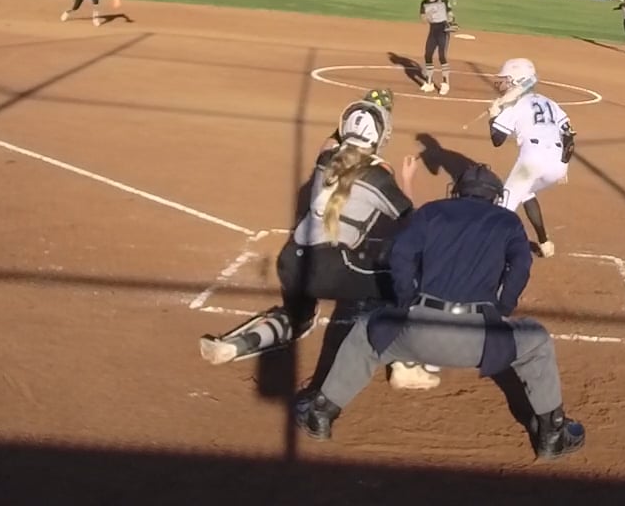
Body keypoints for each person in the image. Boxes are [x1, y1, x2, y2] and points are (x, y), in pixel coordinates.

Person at [290, 162, 587, 461]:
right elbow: (520, 268)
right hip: (480, 341)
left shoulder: (432, 211)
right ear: (496, 196)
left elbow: (400, 255)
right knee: (537, 342)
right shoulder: (508, 222)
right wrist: (502, 308)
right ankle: (552, 434)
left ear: (457, 191)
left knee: (366, 332)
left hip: (415, 334)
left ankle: (322, 412)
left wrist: (406, 301)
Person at [198, 89, 438, 389]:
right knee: (404, 283)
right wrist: (408, 181)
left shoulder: (326, 160)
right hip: (331, 269)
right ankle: (405, 365)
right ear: (381, 136)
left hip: (292, 261)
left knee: (298, 318)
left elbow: (335, 143)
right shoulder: (379, 177)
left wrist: (360, 114)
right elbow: (412, 224)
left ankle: (234, 345)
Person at [485, 58, 575, 258]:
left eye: (507, 79)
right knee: (525, 192)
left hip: (531, 163)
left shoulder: (513, 105)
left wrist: (493, 116)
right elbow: (569, 136)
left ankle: (488, 254)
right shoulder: (550, 103)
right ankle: (544, 242)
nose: (502, 83)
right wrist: (565, 164)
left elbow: (497, 140)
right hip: (558, 164)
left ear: (517, 81)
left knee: (503, 206)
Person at [417, 0, 455, 95]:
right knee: (428, 55)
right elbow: (423, 19)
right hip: (433, 30)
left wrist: (451, 21)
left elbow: (450, 14)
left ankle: (445, 83)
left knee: (442, 56)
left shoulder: (443, 1)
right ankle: (429, 83)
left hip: (443, 30)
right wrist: (427, 16)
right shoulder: (424, 2)